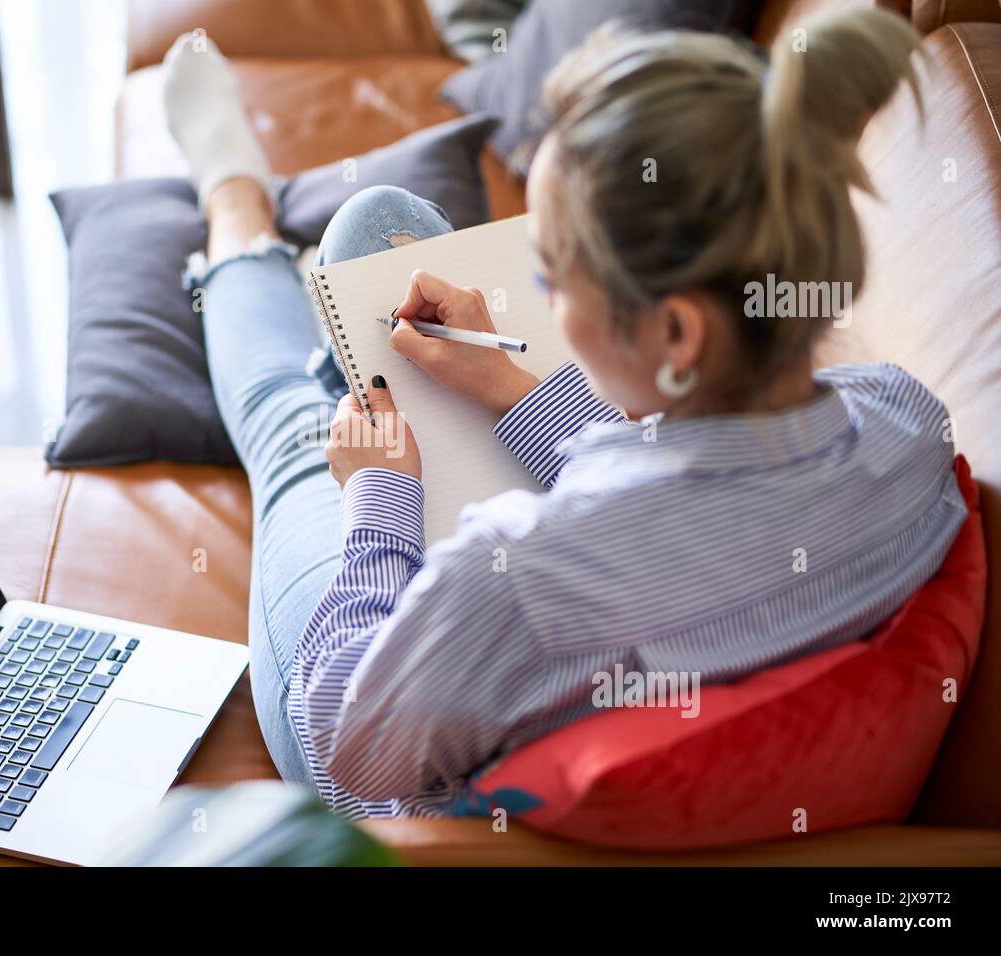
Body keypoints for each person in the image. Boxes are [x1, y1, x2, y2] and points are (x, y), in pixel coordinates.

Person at [161, 9, 966, 817]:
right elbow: (709, 494)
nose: (538, 299)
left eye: (549, 275)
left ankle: (236, 210)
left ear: (678, 333)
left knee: (291, 423)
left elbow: (348, 739)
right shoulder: (907, 426)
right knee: (375, 228)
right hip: (531, 651)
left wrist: (376, 496)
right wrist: (515, 388)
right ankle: (330, 347)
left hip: (386, 766)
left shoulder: (516, 582)